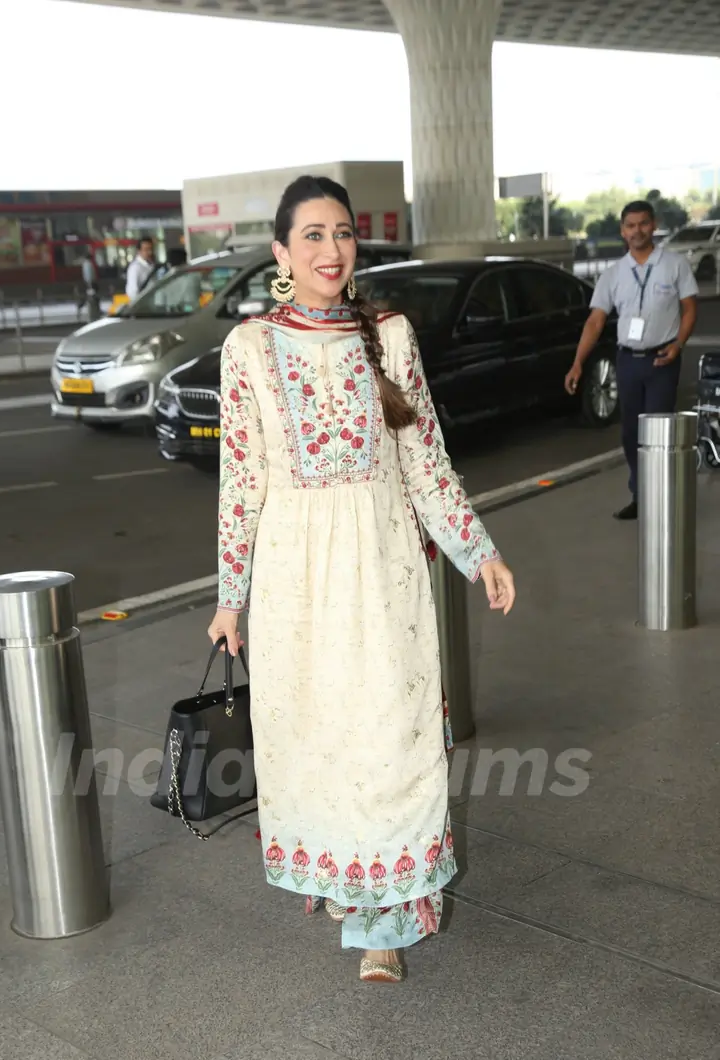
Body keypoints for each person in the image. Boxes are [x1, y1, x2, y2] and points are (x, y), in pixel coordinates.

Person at [207, 176, 515, 984]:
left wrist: (477, 551)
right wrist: (229, 597)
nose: (330, 250)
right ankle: (347, 877)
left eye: (341, 233)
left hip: (382, 575)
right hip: (293, 583)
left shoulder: (392, 336)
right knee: (315, 741)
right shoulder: (248, 349)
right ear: (280, 253)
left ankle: (386, 922)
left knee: (389, 738)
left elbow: (425, 464)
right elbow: (241, 483)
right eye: (311, 236)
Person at [565, 200, 698, 520]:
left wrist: (679, 344)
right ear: (623, 232)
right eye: (630, 225)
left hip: (662, 360)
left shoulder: (674, 264)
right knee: (631, 433)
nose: (637, 230)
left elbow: (690, 309)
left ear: (653, 226)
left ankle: (662, 498)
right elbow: (595, 321)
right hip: (627, 361)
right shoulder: (613, 274)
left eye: (643, 223)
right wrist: (578, 362)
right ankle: (641, 496)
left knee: (658, 431)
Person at [125, 236, 157, 301]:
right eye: (146, 250)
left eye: (151, 249)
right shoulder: (135, 268)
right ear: (139, 251)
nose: (150, 252)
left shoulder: (151, 265)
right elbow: (133, 291)